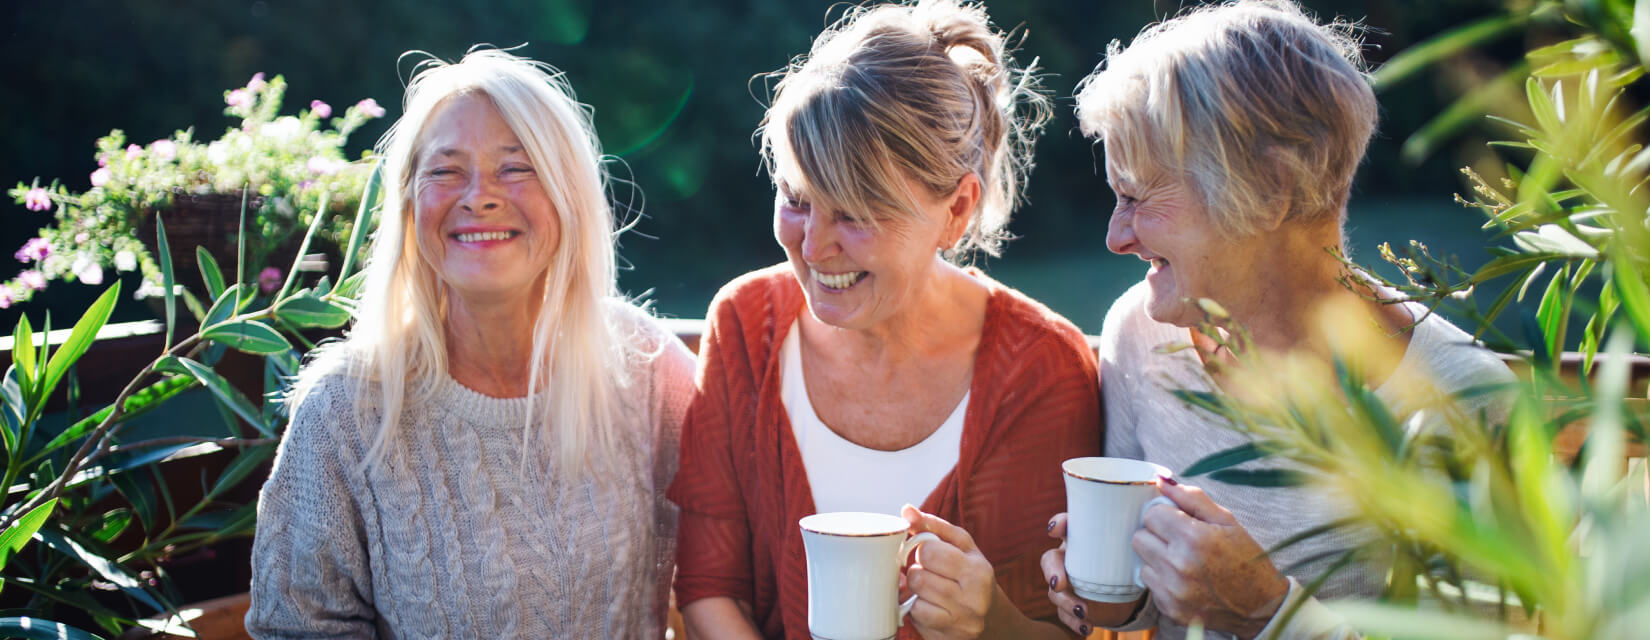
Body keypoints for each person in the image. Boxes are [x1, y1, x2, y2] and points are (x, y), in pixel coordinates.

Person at [1039, 2, 1518, 639]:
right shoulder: (1141, 332)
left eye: (1136, 197)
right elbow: (1142, 616)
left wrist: (1270, 612)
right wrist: (1112, 596)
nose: (1115, 237)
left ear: (1271, 190)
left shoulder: (1461, 402)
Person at [668, 1, 1101, 638]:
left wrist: (991, 620)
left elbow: (1068, 628)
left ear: (956, 210)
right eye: (796, 199)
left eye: (854, 213)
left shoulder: (1043, 371)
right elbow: (708, 589)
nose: (813, 248)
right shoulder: (744, 325)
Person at [245, 49, 695, 638]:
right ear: (408, 205)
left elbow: (738, 568)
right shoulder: (344, 414)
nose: (479, 195)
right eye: (446, 170)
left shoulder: (649, 369)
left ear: (569, 194)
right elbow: (297, 629)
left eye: (517, 167)